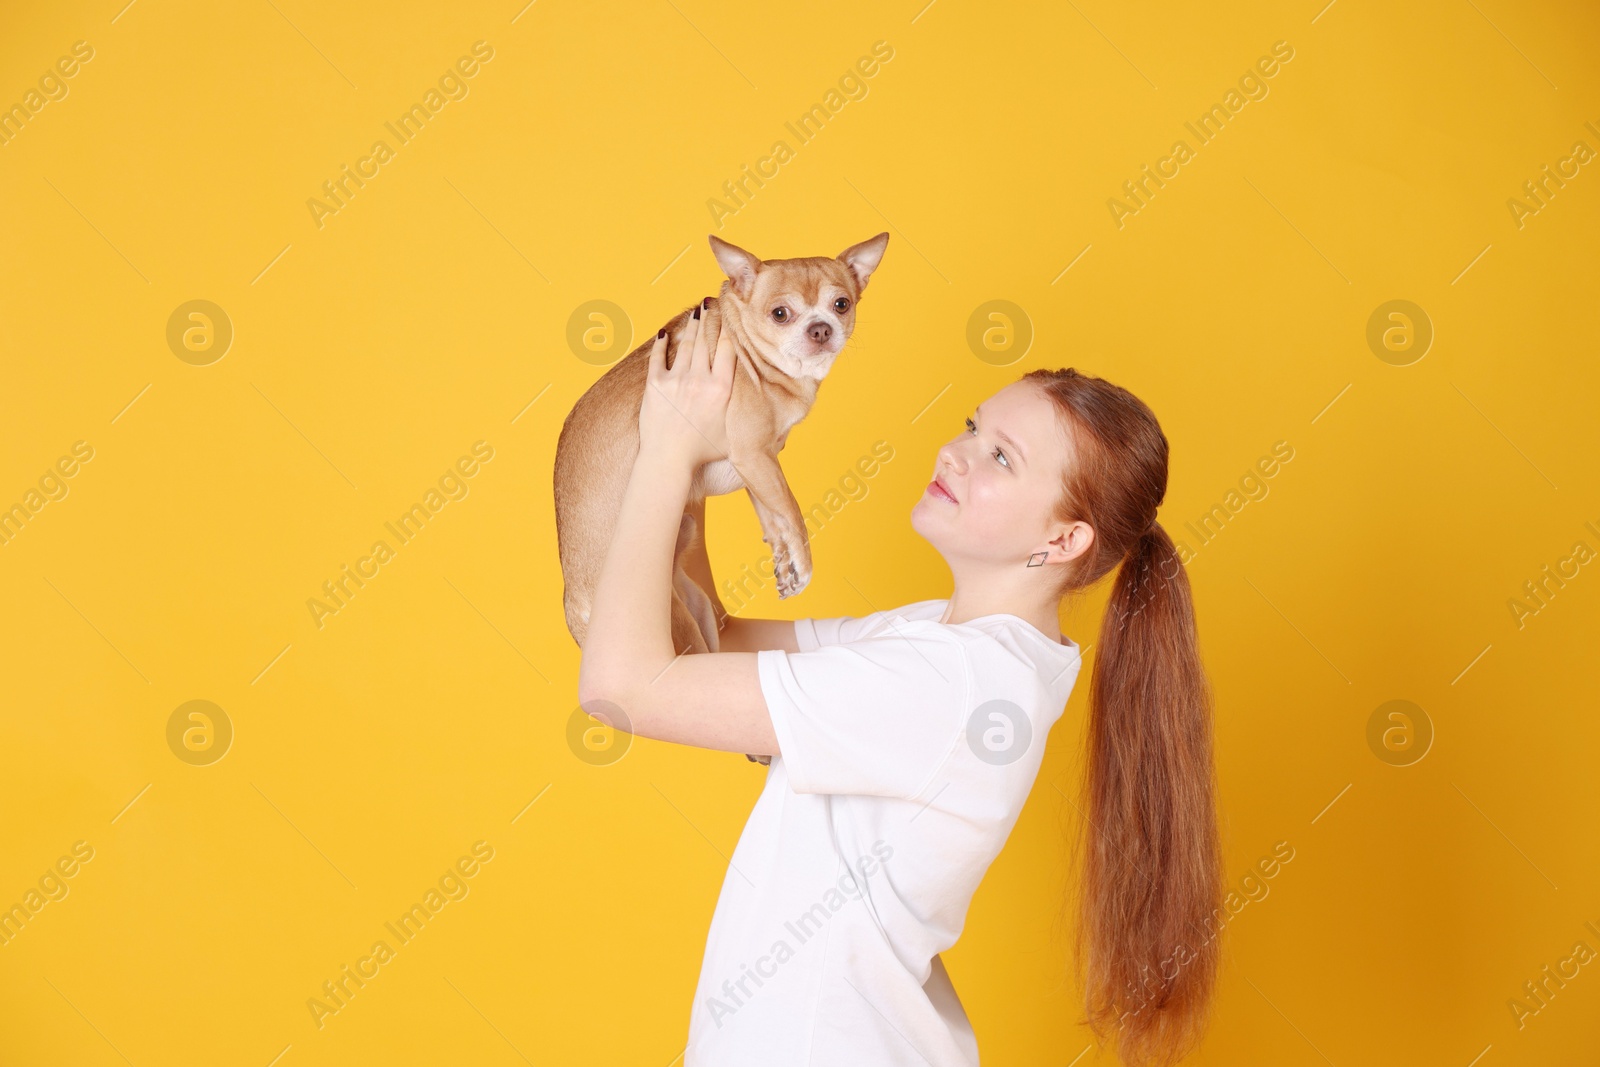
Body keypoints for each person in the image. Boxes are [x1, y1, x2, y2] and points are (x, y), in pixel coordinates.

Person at [576, 301, 1224, 1067]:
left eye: (1001, 457)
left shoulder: (953, 685)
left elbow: (625, 685)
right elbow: (713, 635)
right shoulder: (944, 643)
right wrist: (701, 460)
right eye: (973, 427)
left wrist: (664, 447)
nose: (956, 453)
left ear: (1063, 539)